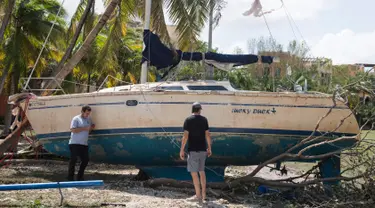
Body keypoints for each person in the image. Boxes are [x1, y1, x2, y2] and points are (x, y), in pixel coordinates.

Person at [180, 102, 212, 203]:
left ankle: (198, 196)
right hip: (203, 150)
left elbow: (185, 136)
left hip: (193, 151)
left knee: (194, 174)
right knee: (202, 172)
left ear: (192, 110)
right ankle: (204, 196)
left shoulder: (188, 120)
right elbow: (207, 135)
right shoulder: (204, 120)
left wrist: (181, 149)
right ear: (199, 110)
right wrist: (209, 148)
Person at [67, 105, 95, 181]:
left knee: (86, 159)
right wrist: (85, 128)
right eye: (86, 113)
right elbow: (73, 129)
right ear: (82, 112)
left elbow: (92, 125)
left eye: (89, 113)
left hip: (84, 143)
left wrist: (91, 127)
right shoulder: (76, 119)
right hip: (75, 143)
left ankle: (80, 175)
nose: (87, 115)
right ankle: (70, 177)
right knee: (73, 160)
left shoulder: (89, 118)